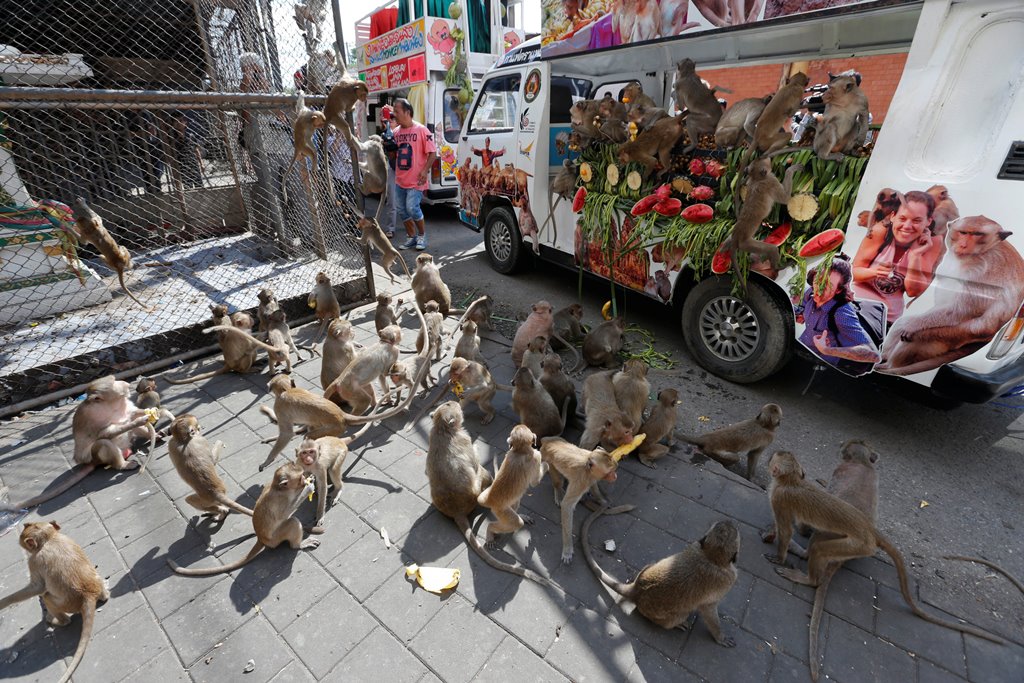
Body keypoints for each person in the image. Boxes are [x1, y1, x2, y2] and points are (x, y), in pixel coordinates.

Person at [852, 189, 942, 324]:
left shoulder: (933, 243)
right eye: (902, 218)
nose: (907, 226)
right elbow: (853, 272)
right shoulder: (880, 230)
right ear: (893, 216)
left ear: (928, 221)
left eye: (917, 220)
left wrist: (915, 255)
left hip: (885, 319)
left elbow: (913, 291)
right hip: (853, 304)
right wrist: (875, 272)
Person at [798, 255, 883, 376]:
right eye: (818, 280)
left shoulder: (841, 313)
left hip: (820, 366)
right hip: (802, 350)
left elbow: (874, 355)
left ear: (838, 290)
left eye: (827, 285)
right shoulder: (809, 293)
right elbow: (802, 311)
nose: (819, 289)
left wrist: (827, 350)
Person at [392, 97, 437, 251]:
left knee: (412, 208)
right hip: (400, 179)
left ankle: (422, 236)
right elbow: (393, 156)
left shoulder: (422, 130)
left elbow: (433, 153)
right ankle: (411, 237)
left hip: (416, 179)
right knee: (402, 210)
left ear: (407, 112)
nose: (394, 114)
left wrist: (425, 170)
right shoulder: (395, 133)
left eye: (396, 111)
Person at [379, 105, 398, 238]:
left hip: (406, 170)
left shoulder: (403, 131)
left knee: (410, 203)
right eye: (385, 121)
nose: (388, 123)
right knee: (391, 199)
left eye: (390, 120)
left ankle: (416, 232)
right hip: (392, 167)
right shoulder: (385, 135)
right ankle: (391, 227)